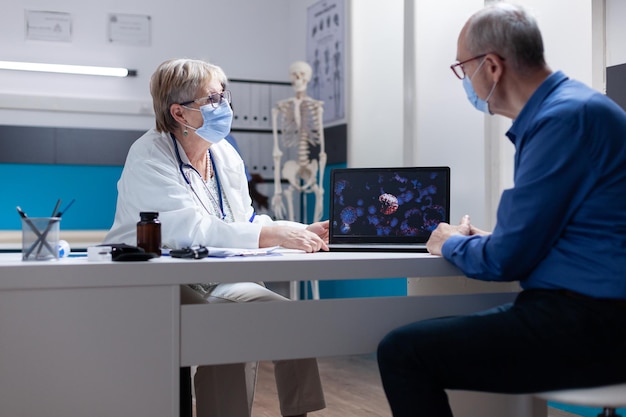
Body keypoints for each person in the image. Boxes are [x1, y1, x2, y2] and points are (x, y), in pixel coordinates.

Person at [377, 3, 626, 417]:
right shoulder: (577, 109)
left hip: (595, 323)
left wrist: (450, 243)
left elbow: (506, 261)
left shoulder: (561, 121)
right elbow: (559, 235)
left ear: (491, 66)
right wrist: (488, 240)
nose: (465, 82)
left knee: (402, 352)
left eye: (462, 69)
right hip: (598, 312)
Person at [105, 58, 328, 417]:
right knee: (224, 327)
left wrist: (297, 230)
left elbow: (244, 220)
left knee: (289, 319)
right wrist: (272, 234)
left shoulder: (223, 153)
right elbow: (191, 231)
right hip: (152, 279)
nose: (224, 106)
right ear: (179, 113)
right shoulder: (149, 156)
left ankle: (299, 412)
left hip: (213, 275)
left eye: (224, 96)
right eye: (212, 99)